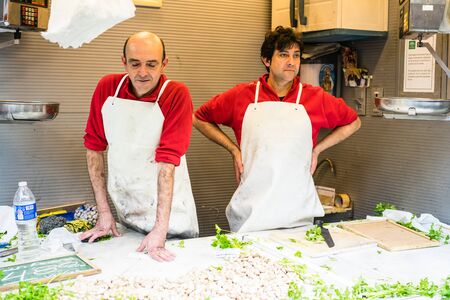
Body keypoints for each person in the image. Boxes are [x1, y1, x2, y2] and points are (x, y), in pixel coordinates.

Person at [193, 26, 361, 233]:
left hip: (297, 213)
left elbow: (354, 122)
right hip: (251, 213)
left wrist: (317, 150)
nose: (292, 62)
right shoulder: (242, 96)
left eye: (296, 56)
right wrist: (233, 150)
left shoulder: (315, 98)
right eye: (283, 55)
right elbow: (199, 118)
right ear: (266, 60)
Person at [81, 32, 199, 261]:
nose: (143, 73)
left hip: (171, 218)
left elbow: (167, 163)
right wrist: (105, 213)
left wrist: (159, 229)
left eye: (151, 65)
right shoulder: (107, 88)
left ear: (164, 63)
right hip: (127, 212)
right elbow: (94, 149)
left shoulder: (176, 94)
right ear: (123, 61)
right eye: (135, 64)